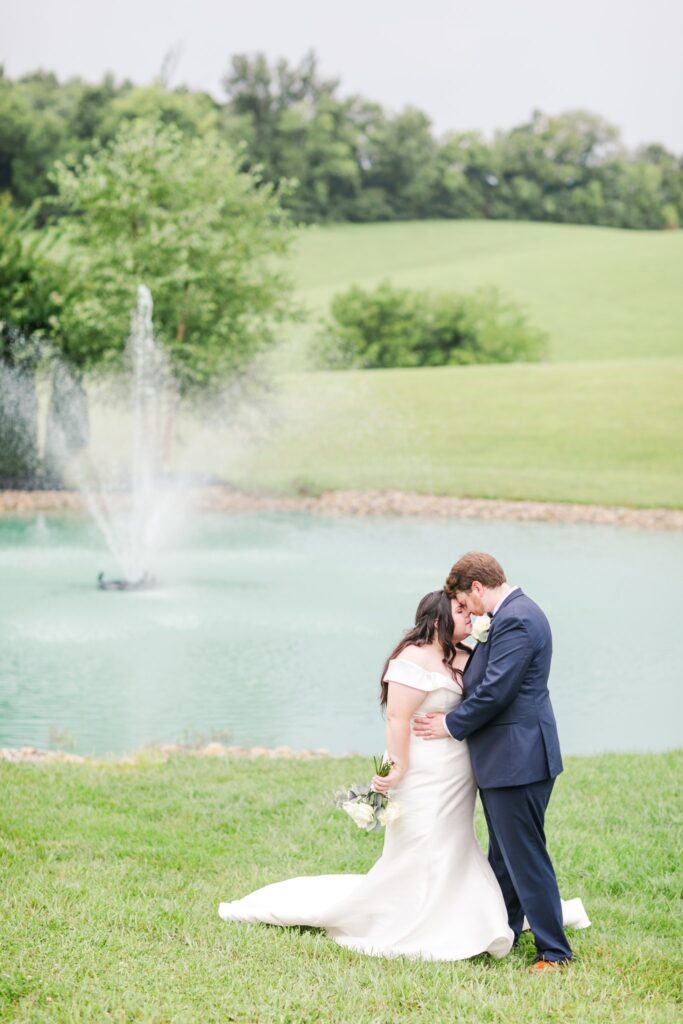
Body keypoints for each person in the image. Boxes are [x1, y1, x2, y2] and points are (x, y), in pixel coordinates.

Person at [219, 589, 589, 961]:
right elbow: (397, 718)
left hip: (459, 772)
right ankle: (416, 917)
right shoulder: (412, 658)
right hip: (423, 769)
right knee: (423, 842)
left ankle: (468, 914)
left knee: (457, 843)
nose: (470, 617)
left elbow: (488, 698)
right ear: (439, 617)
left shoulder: (467, 655)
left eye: (468, 609)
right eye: (460, 611)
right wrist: (398, 766)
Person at [412, 552, 581, 970]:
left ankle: (554, 952)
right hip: (513, 757)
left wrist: (450, 724)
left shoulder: (517, 619)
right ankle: (502, 927)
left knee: (524, 855)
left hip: (517, 759)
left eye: (466, 605)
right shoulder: (511, 616)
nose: (467, 613)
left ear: (477, 588)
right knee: (505, 856)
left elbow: (494, 692)